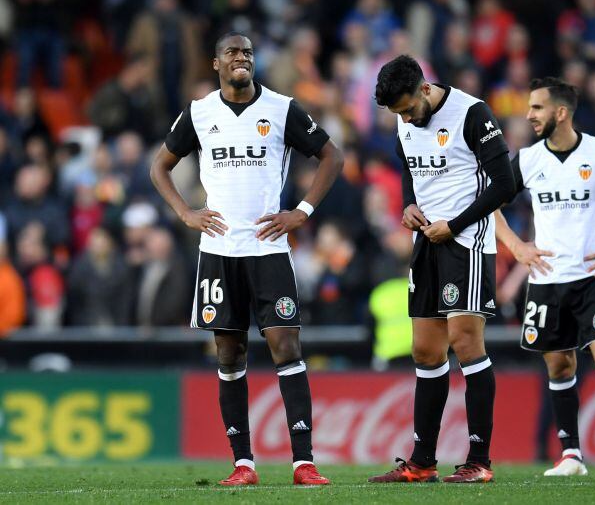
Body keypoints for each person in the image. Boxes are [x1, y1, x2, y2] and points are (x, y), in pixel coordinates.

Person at [150, 32, 343, 486]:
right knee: (229, 352)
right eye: (233, 52)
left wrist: (302, 211)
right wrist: (184, 212)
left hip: (268, 250)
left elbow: (331, 156)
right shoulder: (200, 113)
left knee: (287, 348)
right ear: (217, 63)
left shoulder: (281, 108)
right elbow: (159, 166)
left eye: (248, 53)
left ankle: (303, 463)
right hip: (218, 252)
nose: (242, 58)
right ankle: (244, 464)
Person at [495, 77, 595, 477]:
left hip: (592, 278)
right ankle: (571, 455)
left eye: (537, 108)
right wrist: (517, 247)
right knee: (559, 369)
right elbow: (488, 205)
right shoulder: (527, 160)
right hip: (546, 282)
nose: (529, 115)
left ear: (561, 112)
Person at [368, 55, 515, 484]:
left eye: (409, 108)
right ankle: (422, 461)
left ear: (425, 88)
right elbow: (411, 168)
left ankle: (480, 461)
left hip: (466, 243)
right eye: (398, 114)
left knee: (466, 344)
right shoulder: (403, 120)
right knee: (426, 352)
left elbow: (504, 184)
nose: (407, 119)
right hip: (426, 242)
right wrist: (409, 205)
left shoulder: (472, 113)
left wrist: (454, 224)